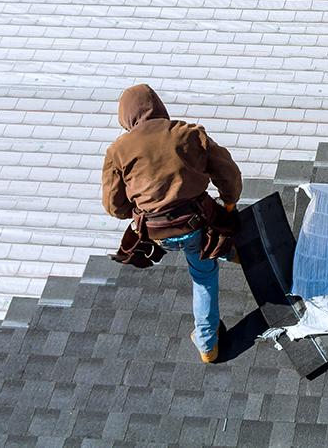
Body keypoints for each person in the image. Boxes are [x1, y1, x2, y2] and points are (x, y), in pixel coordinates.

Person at [101, 84, 241, 363]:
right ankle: (207, 344)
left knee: (201, 252)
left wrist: (144, 210)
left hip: (157, 233)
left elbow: (114, 206)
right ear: (158, 107)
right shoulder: (188, 133)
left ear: (127, 117)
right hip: (196, 224)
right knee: (203, 276)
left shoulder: (118, 151)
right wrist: (228, 202)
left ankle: (229, 252)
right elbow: (228, 173)